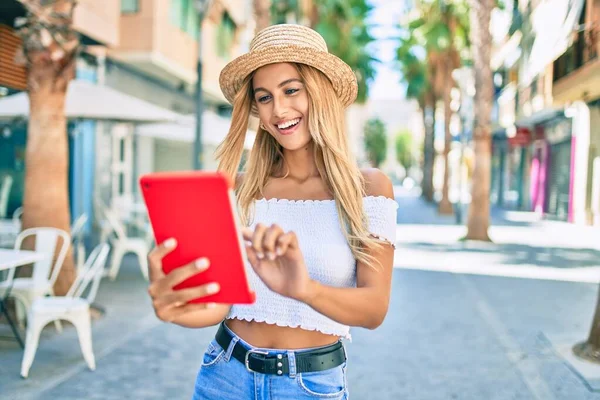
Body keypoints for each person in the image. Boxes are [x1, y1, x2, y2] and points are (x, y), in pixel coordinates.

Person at [146, 24, 398, 400]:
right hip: (224, 376)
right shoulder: (238, 188)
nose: (278, 109)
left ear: (319, 91)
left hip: (311, 386)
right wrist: (172, 308)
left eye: (291, 90)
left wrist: (305, 289)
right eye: (264, 98)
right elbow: (219, 307)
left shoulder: (368, 189)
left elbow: (374, 309)